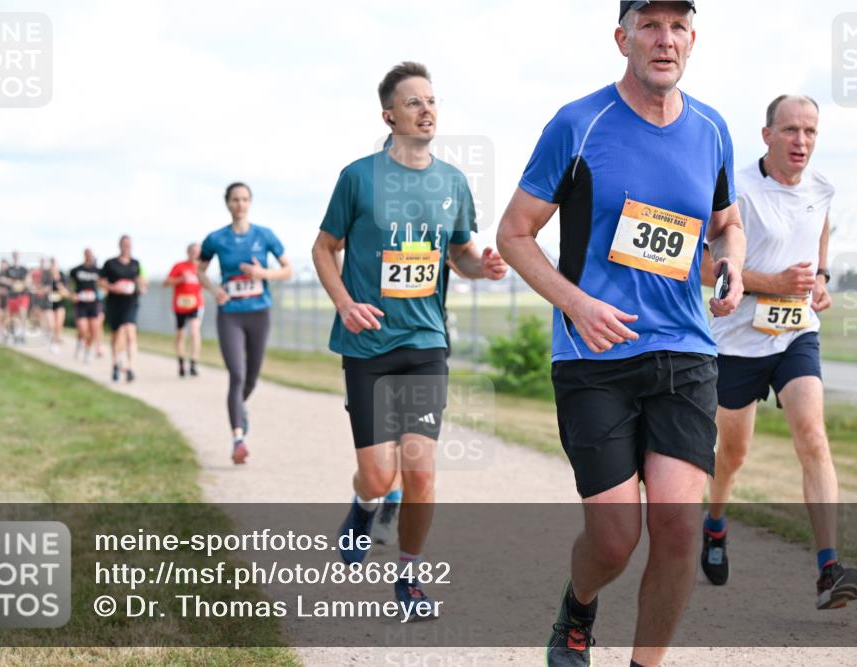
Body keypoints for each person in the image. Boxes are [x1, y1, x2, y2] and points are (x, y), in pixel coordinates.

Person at [496, 3, 747, 665]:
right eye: (650, 25)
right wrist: (575, 303)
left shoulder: (713, 129)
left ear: (693, 39)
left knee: (676, 528)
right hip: (594, 356)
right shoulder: (578, 124)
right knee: (613, 539)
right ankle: (577, 609)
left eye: (678, 26)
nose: (665, 39)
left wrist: (734, 266)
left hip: (687, 353)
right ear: (622, 38)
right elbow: (514, 233)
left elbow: (726, 222)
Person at [312, 61, 507, 615]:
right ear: (389, 116)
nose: (426, 110)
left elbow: (461, 252)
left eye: (432, 100)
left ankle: (409, 575)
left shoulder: (453, 182)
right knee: (380, 473)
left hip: (425, 342)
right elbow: (324, 248)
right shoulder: (358, 177)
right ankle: (364, 501)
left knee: (419, 467)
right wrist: (345, 304)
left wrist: (482, 265)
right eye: (414, 102)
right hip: (368, 344)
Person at [700, 95, 857, 609]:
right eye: (791, 130)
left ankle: (828, 568)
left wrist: (820, 280)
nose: (801, 141)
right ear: (767, 134)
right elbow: (707, 269)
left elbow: (818, 241)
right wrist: (770, 281)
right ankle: (716, 522)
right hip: (737, 341)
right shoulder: (739, 190)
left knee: (813, 436)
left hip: (796, 334)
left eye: (811, 131)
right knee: (732, 456)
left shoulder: (822, 188)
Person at [197, 183, 292, 463]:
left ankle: (240, 408)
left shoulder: (264, 236)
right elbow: (200, 271)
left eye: (244, 199)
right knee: (236, 374)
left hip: (259, 312)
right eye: (235, 200)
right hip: (231, 314)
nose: (240, 204)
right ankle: (238, 438)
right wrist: (215, 291)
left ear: (250, 203)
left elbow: (287, 270)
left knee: (251, 377)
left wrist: (262, 273)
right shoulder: (215, 239)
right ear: (227, 203)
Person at [99, 236, 146, 382]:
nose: (127, 247)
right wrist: (114, 288)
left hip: (131, 301)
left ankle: (131, 368)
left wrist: (142, 287)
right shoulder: (110, 263)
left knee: (130, 332)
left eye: (129, 245)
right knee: (117, 335)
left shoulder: (136, 263)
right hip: (115, 302)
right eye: (124, 244)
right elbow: (100, 282)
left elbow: (141, 280)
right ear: (120, 246)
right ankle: (115, 364)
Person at [165, 243, 206, 378]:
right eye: (192, 251)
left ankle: (194, 362)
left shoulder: (201, 268)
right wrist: (180, 279)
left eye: (197, 252)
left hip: (196, 304)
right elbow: (166, 283)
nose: (195, 254)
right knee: (180, 334)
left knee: (195, 330)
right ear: (188, 252)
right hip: (180, 304)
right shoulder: (179, 266)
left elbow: (206, 283)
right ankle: (181, 362)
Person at [70, 249, 104, 363]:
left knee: (93, 330)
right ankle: (80, 341)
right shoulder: (76, 270)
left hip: (93, 303)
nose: (90, 257)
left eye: (91, 255)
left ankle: (87, 351)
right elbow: (67, 283)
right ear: (84, 256)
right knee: (83, 329)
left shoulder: (98, 271)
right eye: (88, 255)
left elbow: (104, 284)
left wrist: (102, 292)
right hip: (81, 303)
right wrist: (72, 294)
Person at [0, 252, 30, 343]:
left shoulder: (24, 269)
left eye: (17, 256)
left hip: (22, 296)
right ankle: (12, 333)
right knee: (12, 318)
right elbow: (1, 279)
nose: (16, 257)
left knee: (22, 313)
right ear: (12, 257)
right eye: (14, 256)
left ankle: (22, 334)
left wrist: (23, 284)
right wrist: (12, 282)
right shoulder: (8, 269)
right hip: (12, 297)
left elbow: (28, 280)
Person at [44, 257, 69, 353]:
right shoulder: (46, 277)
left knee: (58, 325)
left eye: (54, 265)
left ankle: (55, 343)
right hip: (48, 304)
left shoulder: (63, 277)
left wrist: (60, 286)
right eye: (52, 265)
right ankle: (52, 339)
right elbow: (40, 290)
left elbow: (67, 294)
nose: (53, 268)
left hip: (60, 304)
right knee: (52, 325)